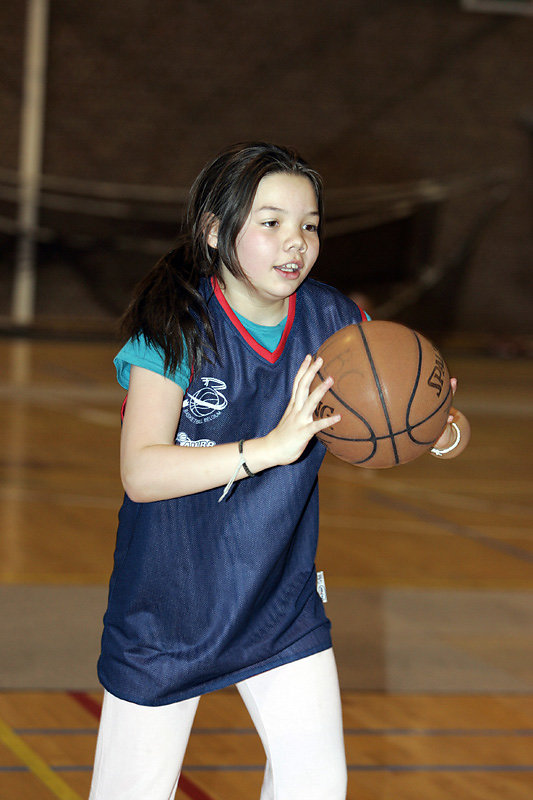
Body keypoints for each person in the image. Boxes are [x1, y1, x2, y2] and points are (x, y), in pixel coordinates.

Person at [89, 142, 469, 800]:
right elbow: (141, 473)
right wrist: (271, 446)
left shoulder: (335, 321)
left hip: (279, 599)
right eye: (270, 222)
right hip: (167, 606)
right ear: (214, 230)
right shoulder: (173, 330)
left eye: (309, 224)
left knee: (315, 784)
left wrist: (438, 429)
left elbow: (418, 419)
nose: (294, 241)